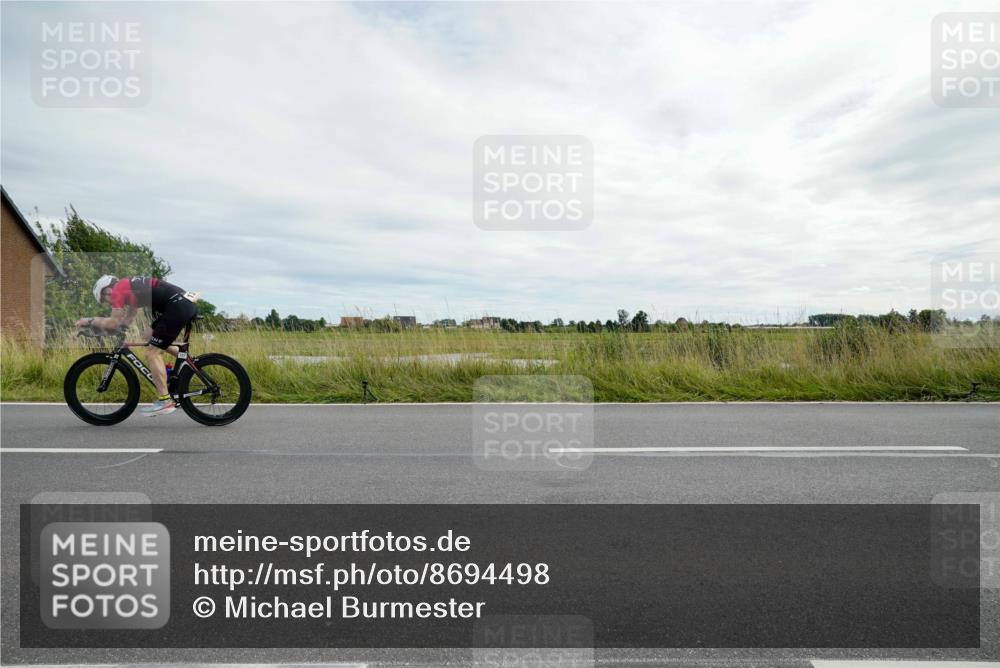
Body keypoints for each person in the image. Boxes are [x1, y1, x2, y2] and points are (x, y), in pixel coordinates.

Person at [76, 275, 198, 416]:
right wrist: (119, 330)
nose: (108, 303)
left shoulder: (118, 290)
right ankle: (187, 360)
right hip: (180, 303)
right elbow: (128, 319)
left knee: (151, 354)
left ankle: (166, 402)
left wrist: (89, 321)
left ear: (107, 290)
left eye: (104, 300)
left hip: (177, 305)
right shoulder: (129, 289)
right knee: (147, 336)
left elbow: (114, 322)